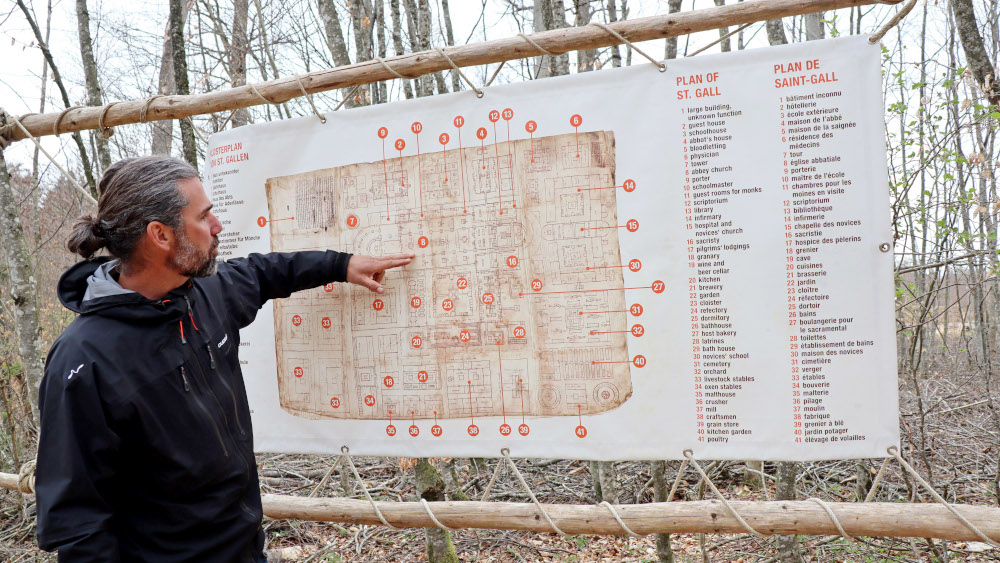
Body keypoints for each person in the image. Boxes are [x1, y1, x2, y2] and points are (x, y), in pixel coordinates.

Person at [35, 156, 413, 561]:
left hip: (244, 550)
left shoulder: (204, 294)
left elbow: (264, 272)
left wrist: (341, 264)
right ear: (160, 235)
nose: (217, 227)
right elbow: (79, 525)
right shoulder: (83, 361)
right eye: (204, 216)